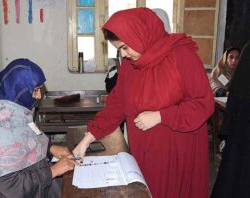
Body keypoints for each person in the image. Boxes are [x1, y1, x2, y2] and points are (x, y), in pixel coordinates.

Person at [73, 8, 214, 198]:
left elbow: (203, 103)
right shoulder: (132, 65)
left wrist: (161, 116)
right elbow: (117, 105)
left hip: (177, 150)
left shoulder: (181, 55)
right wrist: (86, 140)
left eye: (125, 47)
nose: (123, 55)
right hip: (144, 150)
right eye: (119, 49)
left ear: (139, 35)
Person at [0, 59, 76, 198]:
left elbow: (28, 138)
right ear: (19, 89)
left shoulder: (12, 108)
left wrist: (49, 149)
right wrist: (53, 171)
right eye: (36, 90)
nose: (39, 96)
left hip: (29, 178)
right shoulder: (2, 129)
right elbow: (10, 185)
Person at [211, 41, 250, 198]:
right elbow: (215, 85)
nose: (234, 61)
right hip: (242, 123)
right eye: (231, 58)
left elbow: (234, 95)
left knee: (233, 171)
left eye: (237, 58)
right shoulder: (220, 74)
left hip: (238, 125)